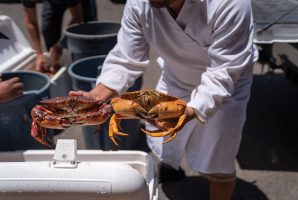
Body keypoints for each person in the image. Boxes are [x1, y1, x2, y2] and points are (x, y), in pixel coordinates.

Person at [70, 0, 258, 199]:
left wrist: (187, 112)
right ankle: (171, 166)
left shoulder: (230, 4)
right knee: (164, 137)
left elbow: (223, 73)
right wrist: (97, 95)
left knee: (218, 155)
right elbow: (126, 57)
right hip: (177, 75)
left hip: (227, 83)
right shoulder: (139, 4)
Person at [22, 0, 97, 73]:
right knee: (48, 30)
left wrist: (60, 44)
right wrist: (39, 54)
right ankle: (55, 64)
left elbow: (78, 18)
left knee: (88, 32)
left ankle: (91, 69)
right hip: (52, 2)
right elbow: (31, 22)